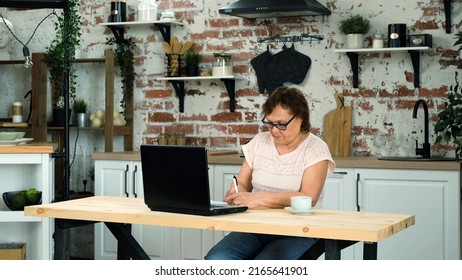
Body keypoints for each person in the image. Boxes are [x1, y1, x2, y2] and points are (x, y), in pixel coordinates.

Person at [204, 86, 335, 260]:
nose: (273, 130)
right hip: (256, 227)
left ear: (301, 118)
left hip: (298, 231)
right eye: (270, 123)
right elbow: (242, 181)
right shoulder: (259, 142)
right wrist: (236, 191)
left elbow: (308, 197)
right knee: (217, 260)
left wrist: (257, 198)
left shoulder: (315, 149)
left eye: (281, 124)